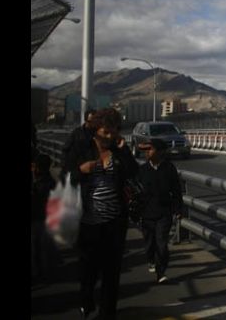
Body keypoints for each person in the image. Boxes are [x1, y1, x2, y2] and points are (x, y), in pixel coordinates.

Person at [63, 107, 139, 319]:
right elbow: (64, 177)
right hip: (88, 223)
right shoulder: (82, 148)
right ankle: (86, 301)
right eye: (105, 132)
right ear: (96, 129)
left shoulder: (118, 150)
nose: (109, 137)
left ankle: (107, 314)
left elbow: (135, 173)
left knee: (112, 274)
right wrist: (81, 171)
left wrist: (124, 151)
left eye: (113, 132)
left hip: (115, 224)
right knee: (88, 272)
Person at [137, 138, 183, 284]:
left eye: (150, 149)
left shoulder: (169, 168)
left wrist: (178, 209)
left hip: (164, 213)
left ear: (160, 152)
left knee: (162, 244)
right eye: (145, 150)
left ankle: (161, 272)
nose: (147, 153)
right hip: (146, 214)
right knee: (149, 244)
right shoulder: (142, 170)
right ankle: (151, 259)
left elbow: (176, 190)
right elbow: (136, 193)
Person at [31, 152, 57, 282]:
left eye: (35, 166)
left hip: (39, 218)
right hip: (43, 218)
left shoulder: (42, 184)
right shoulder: (50, 182)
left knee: (39, 247)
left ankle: (40, 272)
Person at [61, 109, 97, 183]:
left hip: (93, 172)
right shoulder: (76, 133)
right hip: (78, 171)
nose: (93, 124)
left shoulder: (99, 134)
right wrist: (65, 168)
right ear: (86, 120)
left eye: (94, 121)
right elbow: (65, 149)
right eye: (90, 121)